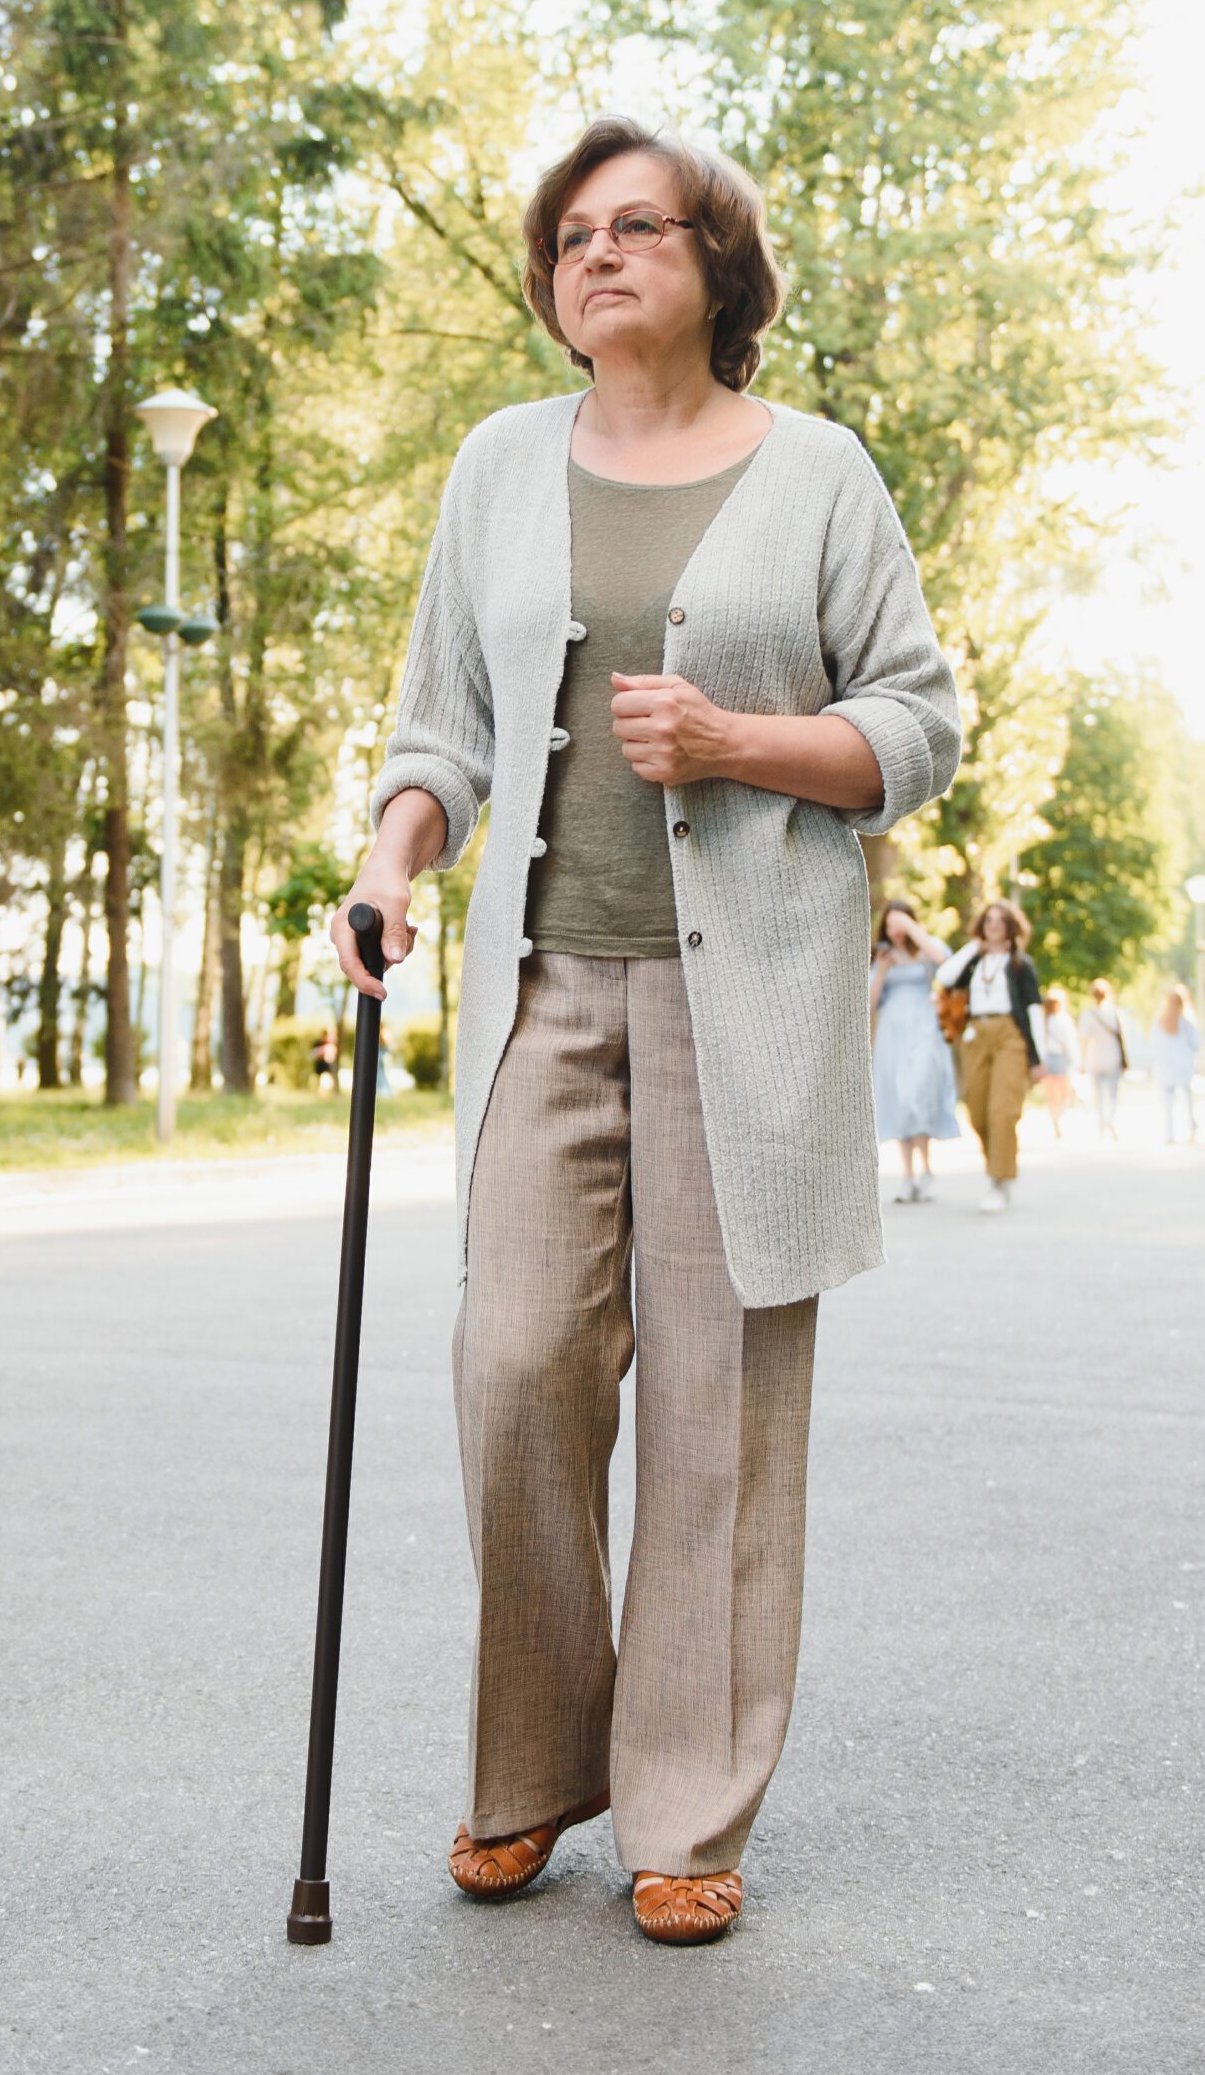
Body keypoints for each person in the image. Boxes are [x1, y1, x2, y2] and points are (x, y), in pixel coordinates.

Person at [331, 115, 960, 1946]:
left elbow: (914, 725)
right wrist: (389, 863)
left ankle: (687, 1811)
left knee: (718, 1413)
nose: (594, 256)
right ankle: (533, 1765)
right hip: (541, 989)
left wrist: (742, 743)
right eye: (570, 237)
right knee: (513, 1366)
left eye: (638, 227)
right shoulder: (497, 472)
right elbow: (434, 726)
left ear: (717, 263)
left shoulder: (819, 473)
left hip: (743, 1003)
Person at [934, 900, 1046, 1210]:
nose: (993, 926)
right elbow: (944, 977)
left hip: (1010, 1035)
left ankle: (1000, 1181)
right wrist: (974, 948)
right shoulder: (973, 962)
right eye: (988, 920)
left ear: (1010, 927)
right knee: (979, 1112)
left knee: (1003, 1111)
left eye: (1000, 921)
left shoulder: (1022, 964)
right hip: (975, 1036)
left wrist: (1039, 1058)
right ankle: (998, 1170)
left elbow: (1034, 1010)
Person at [869, 900, 959, 1199]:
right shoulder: (881, 955)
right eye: (891, 924)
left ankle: (926, 1167)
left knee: (917, 1092)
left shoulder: (926, 949)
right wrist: (882, 968)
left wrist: (911, 929)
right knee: (899, 1095)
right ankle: (908, 1175)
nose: (895, 931)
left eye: (900, 924)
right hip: (893, 1028)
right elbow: (870, 1003)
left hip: (922, 1027)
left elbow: (945, 962)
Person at [1149, 985, 1198, 1144]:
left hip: (1166, 1067)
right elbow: (1196, 1043)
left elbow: (1155, 1045)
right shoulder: (1186, 1022)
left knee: (1168, 1101)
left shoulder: (1160, 1022)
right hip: (1183, 1067)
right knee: (1187, 1099)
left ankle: (1170, 1134)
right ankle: (1191, 1130)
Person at [1077, 978, 1125, 1138]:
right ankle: (1110, 1119)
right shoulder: (1115, 1013)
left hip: (1094, 1057)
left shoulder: (1088, 1014)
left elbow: (1083, 1039)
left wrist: (1082, 1061)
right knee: (1112, 1093)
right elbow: (1122, 1038)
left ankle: (1101, 1122)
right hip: (1112, 1057)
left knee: (1098, 1094)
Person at [1040, 988, 1080, 1137]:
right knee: (1062, 1093)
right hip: (1057, 1058)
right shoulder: (1062, 1021)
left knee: (1055, 1093)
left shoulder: (1046, 1022)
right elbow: (1070, 1043)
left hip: (1051, 1058)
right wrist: (1076, 1061)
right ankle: (1057, 1120)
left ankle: (1056, 1119)